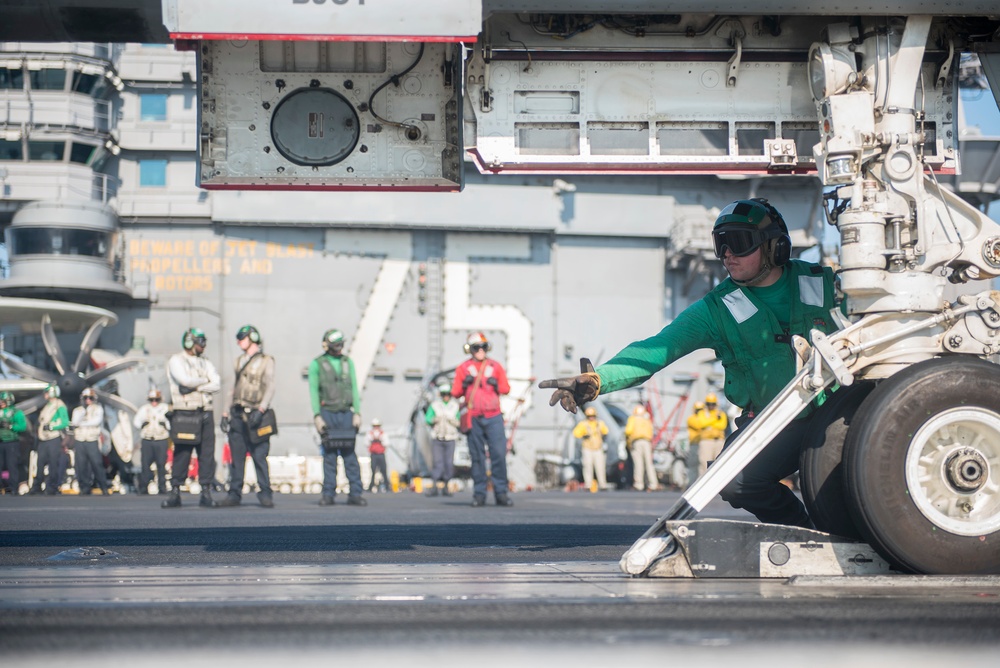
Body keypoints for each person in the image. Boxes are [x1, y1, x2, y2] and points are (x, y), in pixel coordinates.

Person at [541, 198, 839, 529]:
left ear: (776, 247)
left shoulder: (827, 284)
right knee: (736, 481)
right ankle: (806, 530)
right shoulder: (717, 309)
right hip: (774, 419)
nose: (727, 255)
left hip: (836, 412)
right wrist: (598, 380)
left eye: (738, 243)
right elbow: (656, 350)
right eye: (721, 245)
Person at [452, 332, 513, 507]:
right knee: (477, 457)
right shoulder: (463, 368)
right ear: (470, 350)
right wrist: (464, 384)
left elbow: (506, 388)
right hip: (474, 418)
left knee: (499, 455)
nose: (480, 350)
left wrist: (496, 384)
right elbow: (455, 392)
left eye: (483, 347)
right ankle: (479, 494)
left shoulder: (495, 366)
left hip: (493, 416)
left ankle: (501, 493)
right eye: (476, 347)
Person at [163, 327, 221, 508]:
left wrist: (197, 385)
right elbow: (184, 381)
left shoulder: (206, 362)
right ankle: (175, 492)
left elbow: (217, 384)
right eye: (200, 342)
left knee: (207, 454)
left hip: (206, 412)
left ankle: (206, 491)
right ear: (189, 342)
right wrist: (205, 382)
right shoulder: (176, 360)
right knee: (182, 453)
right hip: (185, 412)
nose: (203, 346)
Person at [220, 325, 276, 508]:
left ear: (252, 338)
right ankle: (234, 494)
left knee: (260, 456)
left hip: (256, 415)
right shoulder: (238, 361)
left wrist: (261, 410)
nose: (238, 341)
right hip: (237, 414)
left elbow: (270, 387)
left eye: (242, 337)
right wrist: (225, 413)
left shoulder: (267, 361)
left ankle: (265, 494)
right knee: (237, 458)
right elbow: (233, 390)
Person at [309, 329, 366, 507]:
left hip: (346, 413)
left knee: (350, 455)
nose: (340, 348)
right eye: (336, 345)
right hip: (327, 413)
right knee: (330, 455)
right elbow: (313, 391)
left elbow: (354, 388)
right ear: (327, 345)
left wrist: (357, 412)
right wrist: (317, 415)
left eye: (341, 345)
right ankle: (328, 494)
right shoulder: (316, 364)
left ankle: (355, 493)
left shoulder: (347, 362)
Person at [29, 384, 69, 495]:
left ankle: (52, 487)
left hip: (53, 437)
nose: (45, 395)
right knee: (40, 462)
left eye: (47, 392)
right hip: (43, 438)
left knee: (53, 463)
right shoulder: (47, 406)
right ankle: (37, 486)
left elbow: (65, 422)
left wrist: (52, 427)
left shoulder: (59, 405)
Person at [71, 387, 110, 496]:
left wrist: (82, 423)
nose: (88, 400)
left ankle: (103, 486)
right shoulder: (78, 410)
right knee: (81, 465)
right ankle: (84, 487)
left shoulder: (98, 409)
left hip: (92, 439)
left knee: (97, 463)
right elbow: (74, 422)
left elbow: (96, 422)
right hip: (80, 439)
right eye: (86, 398)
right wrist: (83, 412)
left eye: (90, 398)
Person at [424, 383, 459, 497]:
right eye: (444, 394)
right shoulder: (435, 405)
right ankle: (434, 486)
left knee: (448, 463)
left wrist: (452, 420)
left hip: (450, 438)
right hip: (438, 438)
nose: (446, 396)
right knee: (438, 462)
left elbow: (459, 421)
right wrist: (435, 419)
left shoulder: (455, 406)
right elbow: (428, 418)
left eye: (448, 394)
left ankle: (446, 486)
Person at [134, 388, 171, 495]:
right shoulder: (144, 409)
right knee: (145, 464)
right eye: (152, 400)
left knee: (161, 464)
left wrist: (165, 424)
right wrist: (142, 424)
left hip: (161, 439)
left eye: (156, 399)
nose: (154, 402)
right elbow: (136, 421)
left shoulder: (164, 408)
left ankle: (162, 487)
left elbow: (171, 422)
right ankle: (143, 487)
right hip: (147, 439)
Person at [688, 393, 728, 479]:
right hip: (706, 441)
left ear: (716, 404)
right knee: (704, 463)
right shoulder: (702, 413)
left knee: (719, 463)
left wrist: (709, 424)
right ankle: (703, 482)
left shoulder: (721, 413)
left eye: (713, 404)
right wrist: (715, 419)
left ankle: (719, 482)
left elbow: (722, 425)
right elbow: (702, 423)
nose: (711, 406)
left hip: (719, 441)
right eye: (709, 404)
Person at [572, 406, 609, 491]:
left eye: (593, 416)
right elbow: (576, 433)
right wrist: (583, 435)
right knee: (587, 467)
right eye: (589, 416)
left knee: (600, 467)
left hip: (598, 449)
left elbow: (606, 431)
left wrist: (603, 437)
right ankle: (588, 484)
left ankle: (602, 484)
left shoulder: (600, 423)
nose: (591, 418)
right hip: (587, 449)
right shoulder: (583, 424)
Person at [624, 404, 657, 492]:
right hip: (647, 442)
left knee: (638, 463)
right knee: (649, 464)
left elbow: (628, 431)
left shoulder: (633, 419)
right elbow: (651, 431)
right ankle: (653, 484)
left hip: (637, 442)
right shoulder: (646, 420)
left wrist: (628, 442)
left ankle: (639, 484)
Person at [0, 391, 27, 495]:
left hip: (12, 442)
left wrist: (11, 426)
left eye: (3, 401)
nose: (1, 403)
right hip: (1, 442)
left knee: (12, 465)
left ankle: (13, 487)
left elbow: (22, 426)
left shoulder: (16, 412)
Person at [365, 418, 389, 493]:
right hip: (374, 454)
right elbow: (366, 443)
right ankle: (371, 485)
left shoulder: (383, 434)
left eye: (377, 426)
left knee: (383, 470)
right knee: (373, 470)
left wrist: (380, 441)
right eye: (374, 426)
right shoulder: (370, 434)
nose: (376, 428)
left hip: (381, 454)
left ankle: (386, 485)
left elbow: (386, 443)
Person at [685, 401, 705, 486]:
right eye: (698, 410)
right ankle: (691, 485)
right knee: (693, 466)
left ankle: (701, 484)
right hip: (695, 444)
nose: (700, 412)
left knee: (702, 465)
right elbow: (699, 425)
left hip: (703, 443)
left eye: (701, 410)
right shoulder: (691, 418)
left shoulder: (705, 418)